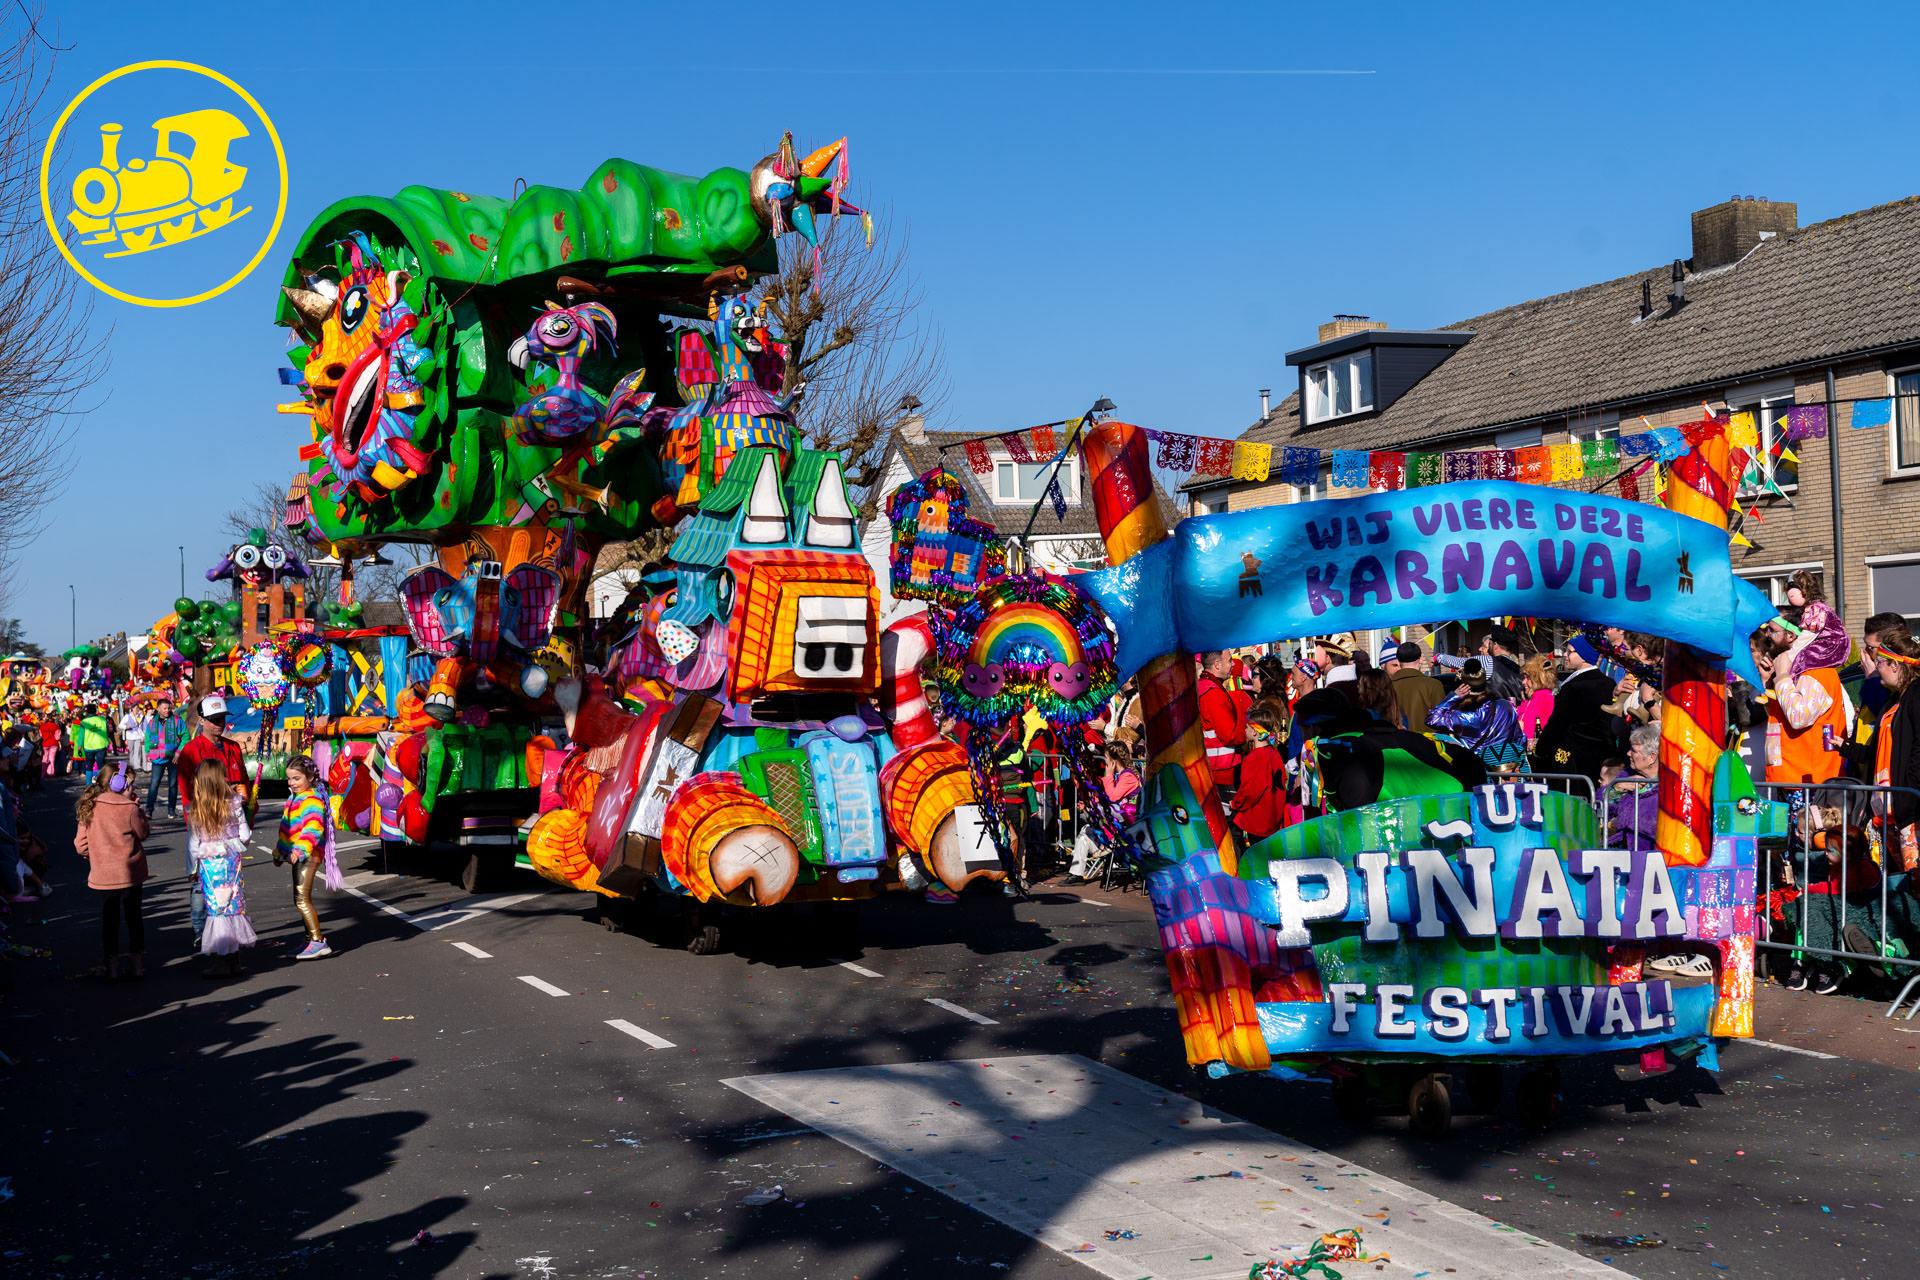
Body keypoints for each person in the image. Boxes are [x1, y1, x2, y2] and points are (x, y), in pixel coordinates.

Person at [175, 695, 252, 946]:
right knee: (201, 882)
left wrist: (247, 803)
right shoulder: (191, 751)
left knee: (231, 884)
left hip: (232, 822)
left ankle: (230, 928)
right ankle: (201, 929)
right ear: (201, 720)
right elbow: (187, 793)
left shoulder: (233, 747)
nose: (219, 723)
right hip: (206, 825)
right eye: (213, 719)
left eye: (222, 718)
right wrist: (197, 824)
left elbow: (243, 780)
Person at [74, 763, 151, 981]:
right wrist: (139, 811)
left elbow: (80, 845)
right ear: (118, 784)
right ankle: (137, 966)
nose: (133, 789)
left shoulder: (90, 806)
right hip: (131, 874)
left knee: (110, 922)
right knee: (134, 919)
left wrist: (94, 855)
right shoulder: (130, 808)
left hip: (104, 876)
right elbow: (142, 833)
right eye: (131, 784)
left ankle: (112, 967)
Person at [187, 758, 256, 976]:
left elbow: (193, 844)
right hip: (232, 863)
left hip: (210, 866)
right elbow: (245, 835)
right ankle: (234, 960)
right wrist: (234, 842)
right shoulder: (234, 804)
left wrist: (192, 868)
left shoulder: (197, 810)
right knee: (233, 906)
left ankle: (221, 961)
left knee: (217, 909)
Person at [276, 754, 339, 960]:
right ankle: (309, 940)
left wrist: (299, 850)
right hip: (298, 854)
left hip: (309, 854)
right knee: (299, 898)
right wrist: (279, 851)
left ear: (310, 777)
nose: (291, 783)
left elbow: (313, 828)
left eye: (296, 778)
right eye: (289, 778)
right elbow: (287, 828)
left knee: (302, 899)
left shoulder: (311, 799)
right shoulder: (295, 798)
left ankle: (318, 941)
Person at [1532, 636, 1617, 784]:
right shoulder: (1609, 683)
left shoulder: (1573, 687)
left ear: (1584, 656)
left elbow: (1557, 724)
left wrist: (1540, 749)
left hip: (1574, 762)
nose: (1565, 655)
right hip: (1603, 758)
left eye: (1570, 651)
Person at [1428, 658, 1529, 771]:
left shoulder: (1463, 715)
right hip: (1504, 768)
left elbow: (1432, 718)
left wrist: (1453, 697)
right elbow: (1519, 739)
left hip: (1476, 769)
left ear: (1464, 685)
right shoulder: (1506, 706)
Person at [1065, 742, 1142, 884]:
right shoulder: (1118, 776)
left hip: (1127, 826)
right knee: (1085, 832)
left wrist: (1108, 775)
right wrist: (1088, 805)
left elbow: (1112, 797)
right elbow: (1105, 798)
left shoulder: (1128, 776)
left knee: (1096, 815)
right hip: (1115, 824)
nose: (1104, 761)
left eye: (1106, 757)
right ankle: (1076, 874)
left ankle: (1110, 847)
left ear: (1114, 760)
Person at [1230, 701, 1289, 841]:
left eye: (1247, 727)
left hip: (1259, 821)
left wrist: (1236, 803)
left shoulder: (1254, 758)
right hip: (1273, 818)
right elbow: (1283, 781)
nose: (1245, 730)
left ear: (1255, 732)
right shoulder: (1275, 754)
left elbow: (1249, 790)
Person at [1197, 650, 1246, 795]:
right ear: (1217, 664)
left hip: (1212, 768)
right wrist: (1249, 733)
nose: (1233, 665)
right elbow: (1229, 735)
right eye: (1229, 661)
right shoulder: (1212, 692)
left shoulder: (1203, 686)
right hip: (1222, 771)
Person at [142, 697, 189, 817]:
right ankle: (148, 811)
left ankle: (171, 811)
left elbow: (186, 737)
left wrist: (178, 753)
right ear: (158, 709)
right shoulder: (152, 722)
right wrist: (147, 753)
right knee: (154, 784)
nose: (167, 710)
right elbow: (147, 739)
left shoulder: (177, 721)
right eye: (164, 708)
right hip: (157, 759)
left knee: (173, 785)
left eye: (169, 708)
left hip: (173, 758)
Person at [1387, 642, 1445, 732]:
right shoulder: (1433, 685)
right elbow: (1442, 720)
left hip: (1396, 739)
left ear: (1398, 661)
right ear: (1421, 659)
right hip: (1427, 739)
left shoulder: (1387, 687)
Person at [1518, 653, 1558, 752]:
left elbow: (1543, 734)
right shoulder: (1530, 700)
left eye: (1528, 678)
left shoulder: (1545, 700)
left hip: (1535, 755)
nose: (1523, 682)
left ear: (1538, 679)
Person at [1476, 626, 1527, 701]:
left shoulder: (1488, 661)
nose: (1480, 649)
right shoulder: (1520, 670)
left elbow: (1458, 662)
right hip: (1514, 708)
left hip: (1495, 707)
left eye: (1490, 644)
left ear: (1495, 645)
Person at [73, 705, 111, 774]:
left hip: (89, 746)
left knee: (89, 766)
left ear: (87, 712)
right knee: (101, 765)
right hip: (101, 744)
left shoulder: (84, 722)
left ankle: (88, 781)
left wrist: (79, 747)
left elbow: (81, 736)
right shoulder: (103, 720)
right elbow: (108, 732)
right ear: (96, 711)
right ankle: (100, 779)